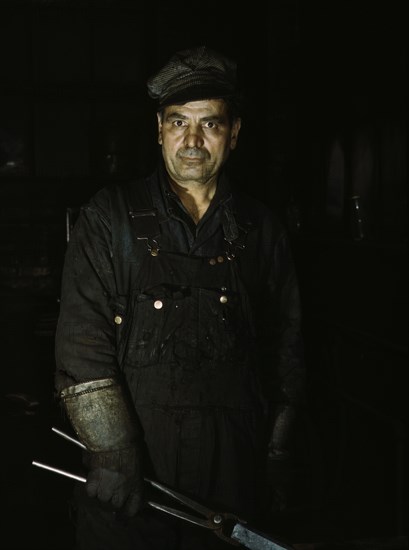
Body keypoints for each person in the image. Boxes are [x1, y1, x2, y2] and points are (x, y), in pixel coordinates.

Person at [54, 45, 305, 550]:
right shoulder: (110, 218)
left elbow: (287, 350)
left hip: (234, 473)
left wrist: (277, 458)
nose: (192, 140)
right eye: (178, 123)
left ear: (233, 134)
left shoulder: (261, 230)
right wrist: (113, 453)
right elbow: (82, 344)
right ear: (159, 130)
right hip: (133, 478)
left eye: (209, 124)